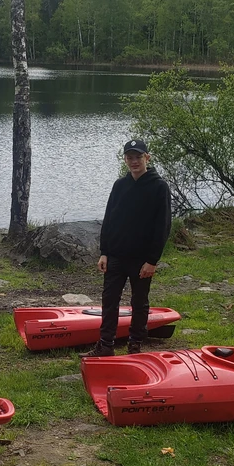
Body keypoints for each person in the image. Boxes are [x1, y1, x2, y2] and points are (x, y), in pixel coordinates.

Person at [80, 139, 172, 357]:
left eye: (138, 157)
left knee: (139, 302)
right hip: (116, 256)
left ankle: (135, 345)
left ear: (147, 158)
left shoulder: (159, 187)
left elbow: (163, 226)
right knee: (109, 300)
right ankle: (105, 345)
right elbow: (109, 219)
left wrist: (152, 260)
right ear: (125, 160)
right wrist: (104, 251)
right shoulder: (120, 185)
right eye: (129, 158)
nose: (134, 162)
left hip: (141, 260)